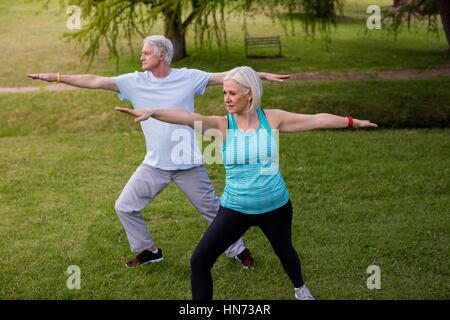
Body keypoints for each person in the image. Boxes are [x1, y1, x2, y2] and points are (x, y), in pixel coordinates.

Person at [115, 66, 378, 300]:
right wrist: (153, 112)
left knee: (285, 251)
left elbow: (316, 119)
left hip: (274, 205)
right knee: (200, 260)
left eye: (232, 93)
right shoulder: (220, 126)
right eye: (224, 93)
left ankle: (300, 288)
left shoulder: (271, 119)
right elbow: (183, 116)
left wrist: (352, 122)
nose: (226, 99)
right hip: (236, 208)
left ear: (250, 94)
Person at [27, 35, 290, 268]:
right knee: (125, 206)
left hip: (187, 163)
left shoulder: (188, 77)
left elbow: (228, 76)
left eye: (146, 52)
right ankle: (150, 251)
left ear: (162, 55)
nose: (141, 56)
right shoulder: (132, 82)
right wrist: (58, 77)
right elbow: (95, 80)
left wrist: (261, 76)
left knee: (213, 211)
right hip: (154, 164)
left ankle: (239, 250)